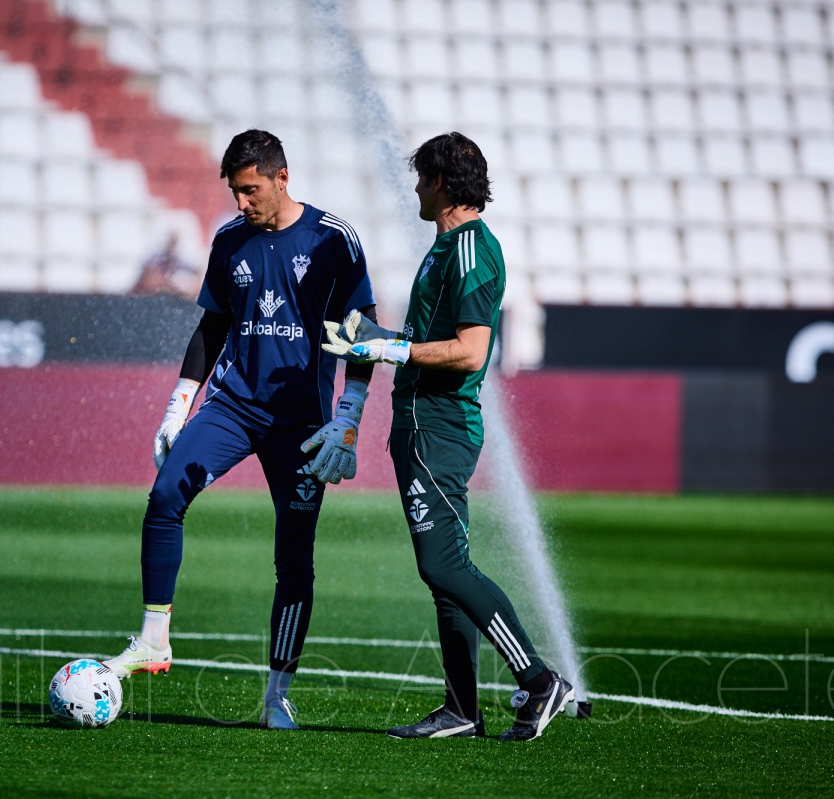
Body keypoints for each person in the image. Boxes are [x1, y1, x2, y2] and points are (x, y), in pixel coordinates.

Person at [104, 129, 377, 730]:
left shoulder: (334, 238)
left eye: (251, 189)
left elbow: (364, 334)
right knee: (164, 497)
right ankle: (153, 639)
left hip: (302, 425)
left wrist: (349, 417)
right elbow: (212, 328)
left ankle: (278, 694)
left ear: (282, 177)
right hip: (230, 407)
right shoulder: (230, 240)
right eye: (234, 191)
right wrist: (178, 406)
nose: (241, 201)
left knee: (294, 559)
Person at [323, 132, 573, 741]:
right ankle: (462, 708)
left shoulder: (469, 249)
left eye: (421, 178)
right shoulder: (446, 249)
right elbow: (424, 341)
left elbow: (469, 352)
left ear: (439, 182)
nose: (414, 188)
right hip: (422, 424)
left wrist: (389, 350)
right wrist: (374, 337)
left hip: (439, 426)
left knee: (443, 564)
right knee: (443, 573)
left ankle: (539, 679)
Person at [129, 230, 202, 298]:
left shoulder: (177, 259)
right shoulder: (156, 257)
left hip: (166, 291)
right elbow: (150, 274)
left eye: (173, 243)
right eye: (171, 242)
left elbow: (193, 269)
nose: (171, 245)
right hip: (149, 292)